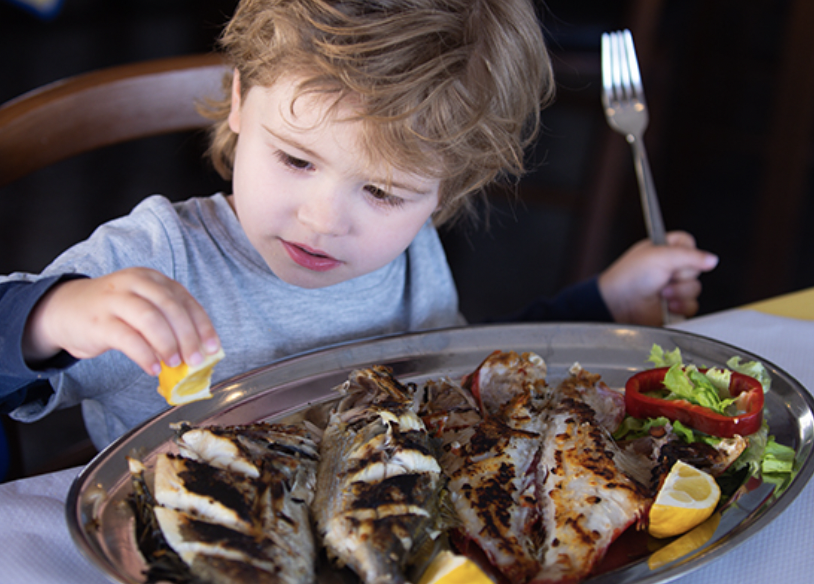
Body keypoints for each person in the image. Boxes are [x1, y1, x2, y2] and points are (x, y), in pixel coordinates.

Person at [0, 0, 717, 450]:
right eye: (295, 159)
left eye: (381, 191)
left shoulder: (411, 258)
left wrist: (604, 305)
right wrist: (53, 317)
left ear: (444, 191)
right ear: (241, 103)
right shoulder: (158, 258)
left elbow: (467, 377)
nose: (322, 221)